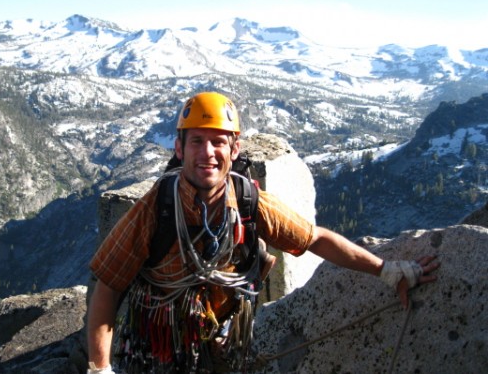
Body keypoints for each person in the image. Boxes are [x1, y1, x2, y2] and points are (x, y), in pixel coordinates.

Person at [87, 92, 439, 373]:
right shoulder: (155, 208)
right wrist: (100, 368)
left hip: (218, 332)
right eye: (196, 142)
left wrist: (388, 271)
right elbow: (110, 284)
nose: (207, 153)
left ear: (234, 149)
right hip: (159, 338)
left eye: (219, 142)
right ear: (179, 149)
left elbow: (316, 239)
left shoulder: (248, 200)